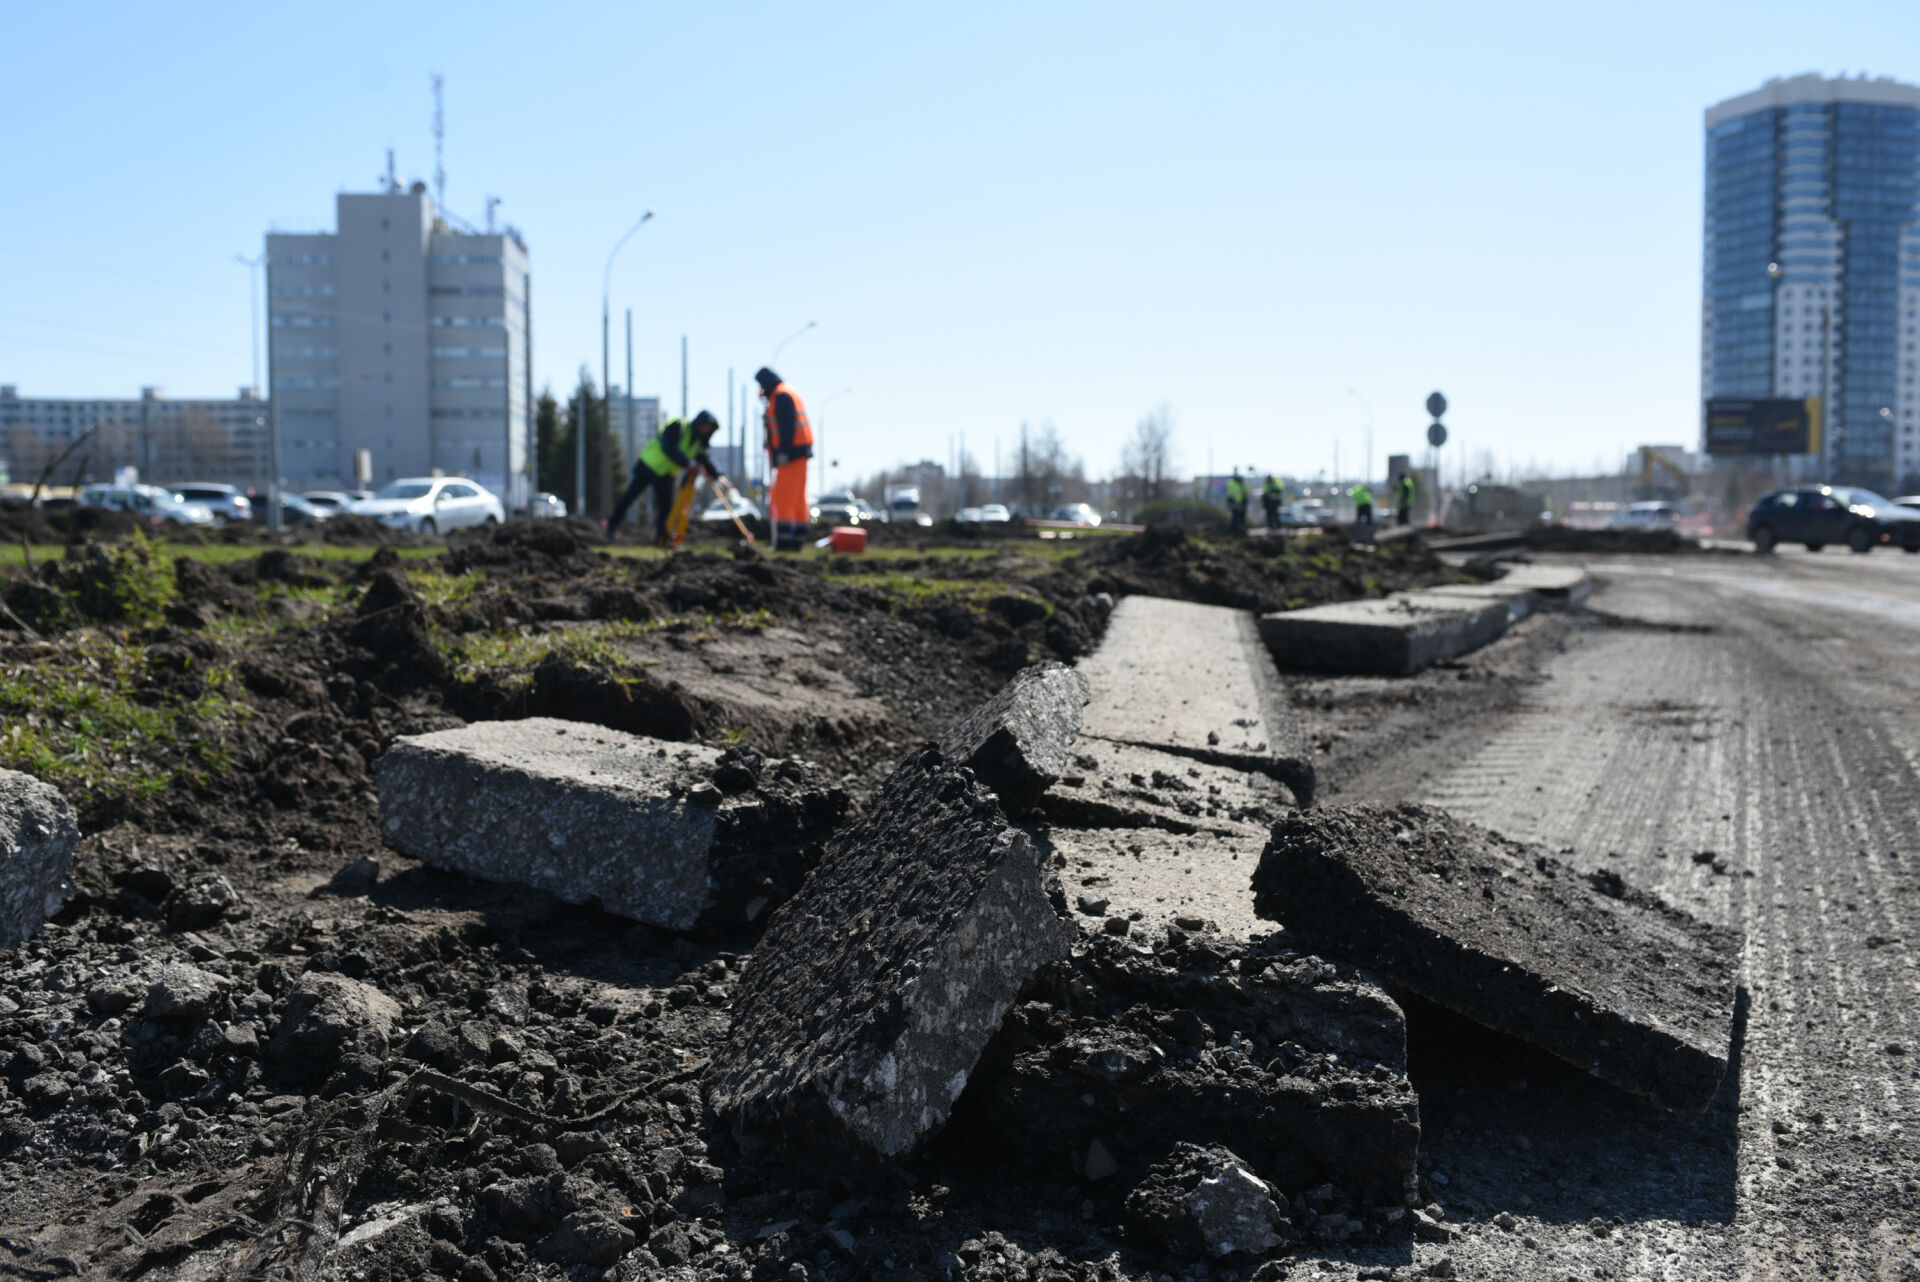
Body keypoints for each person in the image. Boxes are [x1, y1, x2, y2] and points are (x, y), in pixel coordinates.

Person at [606, 410, 720, 546]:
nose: (706, 430)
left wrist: (718, 474)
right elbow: (668, 447)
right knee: (629, 498)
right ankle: (610, 527)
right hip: (648, 466)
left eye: (709, 429)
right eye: (705, 426)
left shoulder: (698, 442)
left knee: (666, 508)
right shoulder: (679, 426)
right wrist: (687, 464)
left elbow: (703, 458)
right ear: (699, 422)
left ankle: (661, 538)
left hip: (666, 474)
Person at [756, 367, 813, 551]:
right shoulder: (787, 392)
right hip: (798, 454)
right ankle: (797, 540)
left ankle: (784, 543)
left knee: (783, 497)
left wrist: (783, 453)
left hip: (790, 455)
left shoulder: (780, 395)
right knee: (796, 497)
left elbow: (787, 426)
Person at [1225, 469, 1249, 533]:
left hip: (1235, 501)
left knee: (1235, 515)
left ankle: (1235, 527)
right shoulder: (1236, 484)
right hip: (1236, 502)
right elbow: (1245, 492)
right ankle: (1235, 528)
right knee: (1236, 515)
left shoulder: (1231, 483)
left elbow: (1245, 492)